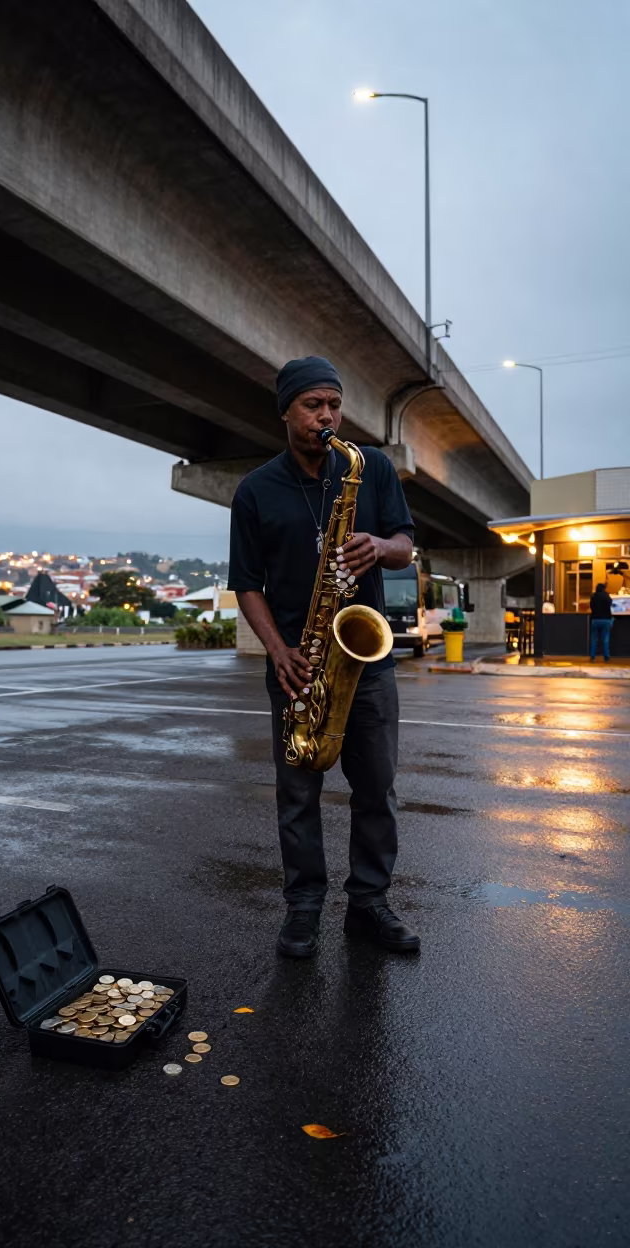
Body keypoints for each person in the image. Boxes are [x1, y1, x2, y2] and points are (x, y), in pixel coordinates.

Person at [228, 355, 420, 958]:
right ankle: (304, 907)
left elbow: (406, 547)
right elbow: (246, 582)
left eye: (334, 404)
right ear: (286, 410)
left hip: (366, 664)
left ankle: (369, 903)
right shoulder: (256, 490)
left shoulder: (371, 468)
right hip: (298, 665)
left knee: (377, 790)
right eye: (314, 405)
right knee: (298, 797)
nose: (328, 416)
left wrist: (381, 546)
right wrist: (279, 650)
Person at [589, 582, 613, 661]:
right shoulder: (606, 595)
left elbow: (591, 606)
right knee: (605, 639)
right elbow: (610, 603)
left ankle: (592, 656)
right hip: (605, 619)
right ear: (604, 588)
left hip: (595, 619)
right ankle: (606, 656)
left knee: (594, 639)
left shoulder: (593, 596)